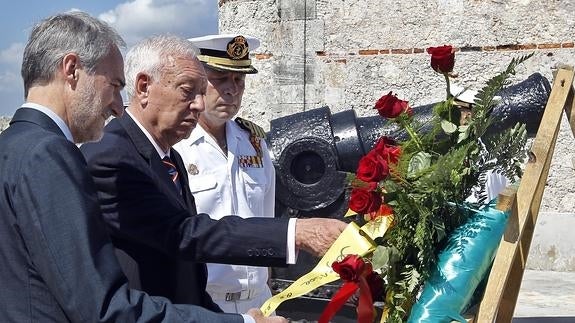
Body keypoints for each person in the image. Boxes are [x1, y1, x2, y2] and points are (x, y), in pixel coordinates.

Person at [0, 11, 284, 323]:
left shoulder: (14, 146)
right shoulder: (49, 153)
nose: (117, 105)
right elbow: (103, 308)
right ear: (72, 70)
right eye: (114, 84)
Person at [80, 34, 346, 311]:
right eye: (189, 90)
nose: (198, 103)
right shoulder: (112, 154)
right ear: (144, 87)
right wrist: (294, 233)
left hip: (234, 302)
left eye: (238, 81)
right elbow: (182, 233)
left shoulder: (172, 151)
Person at [172, 34, 279, 313]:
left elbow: (266, 220)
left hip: (259, 301)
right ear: (197, 83)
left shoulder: (255, 143)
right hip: (203, 303)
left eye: (239, 81)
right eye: (220, 79)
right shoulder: (178, 147)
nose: (231, 90)